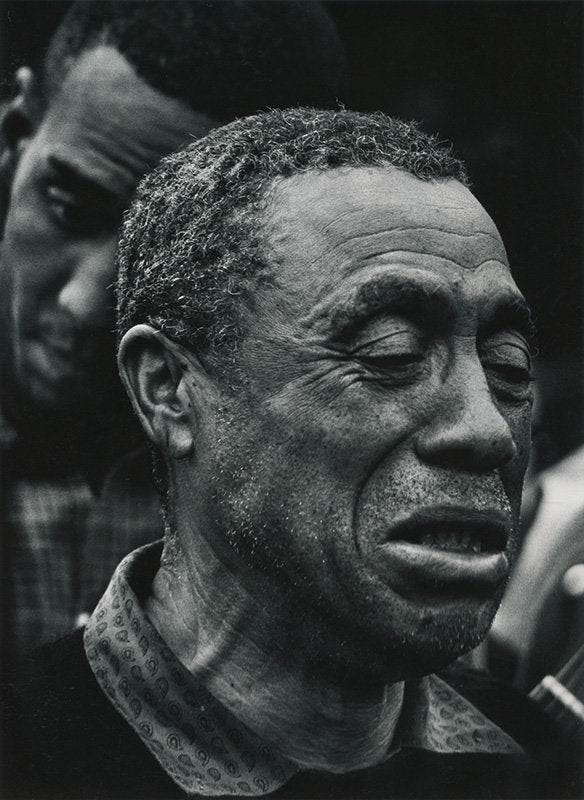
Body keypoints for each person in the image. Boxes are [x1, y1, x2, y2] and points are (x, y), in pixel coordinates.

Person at [4, 108, 578, 799]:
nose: (487, 428)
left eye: (509, 367)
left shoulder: (543, 764)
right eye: (390, 352)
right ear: (169, 390)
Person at [0, 0, 346, 660]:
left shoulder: (317, 499)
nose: (83, 302)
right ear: (16, 132)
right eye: (71, 207)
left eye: (174, 254)